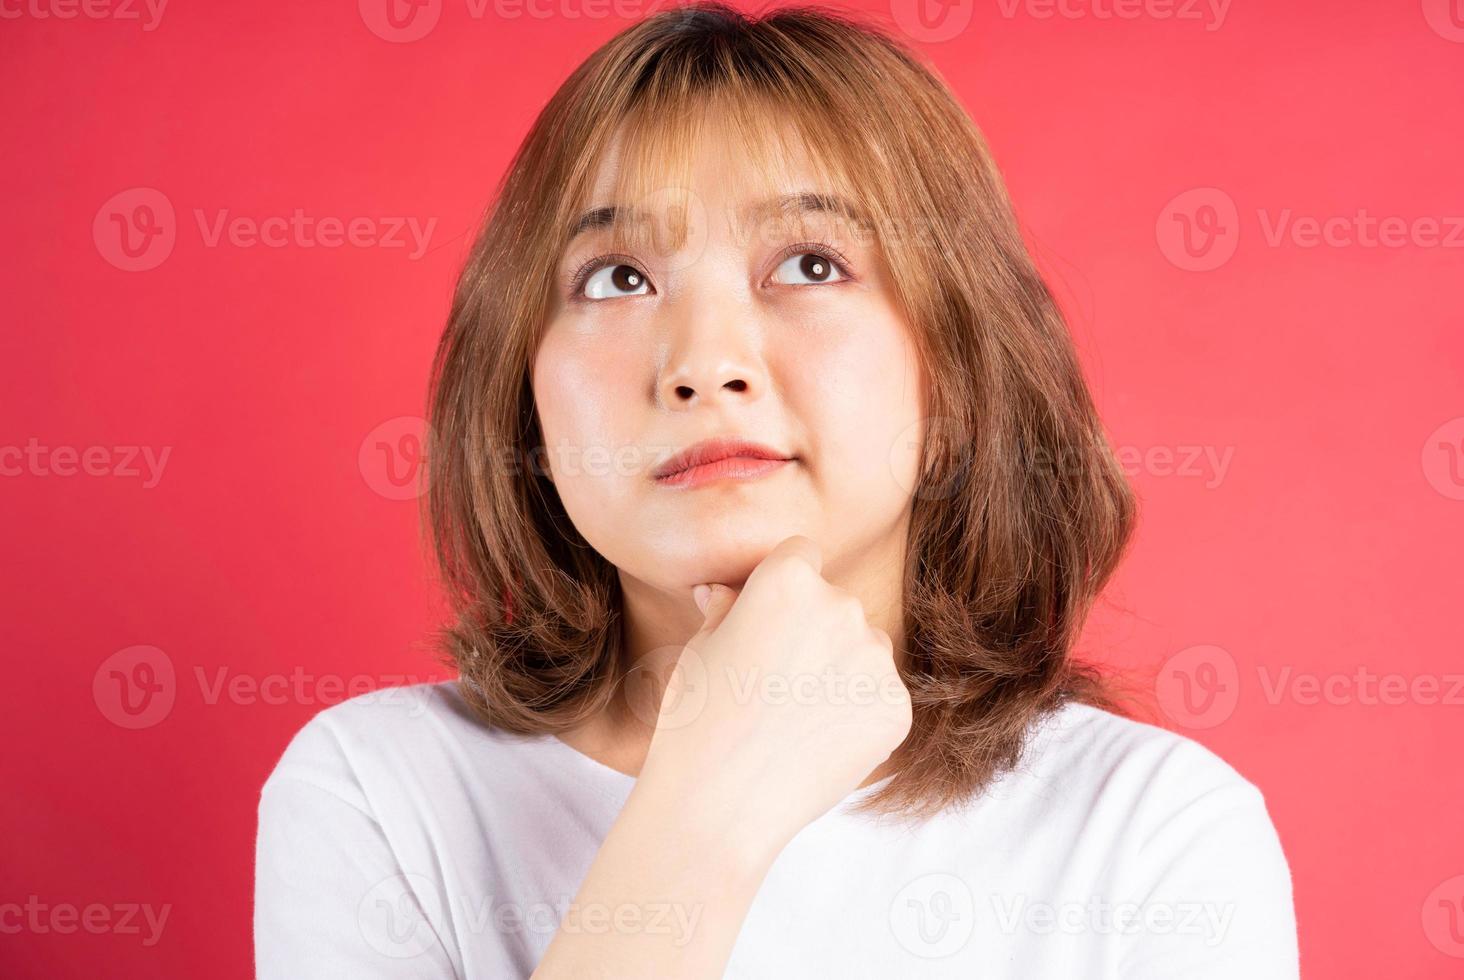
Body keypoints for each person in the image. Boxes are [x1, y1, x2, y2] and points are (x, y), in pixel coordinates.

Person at [254, 4, 1298, 977]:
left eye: (809, 262)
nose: (704, 363)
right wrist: (705, 811)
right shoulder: (380, 793)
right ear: (522, 391)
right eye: (617, 278)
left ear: (961, 370)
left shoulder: (1156, 833)